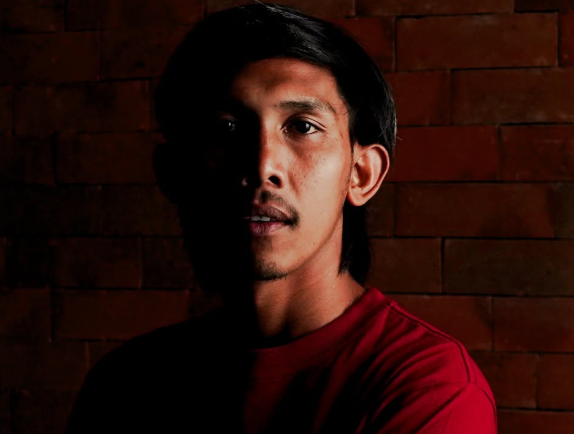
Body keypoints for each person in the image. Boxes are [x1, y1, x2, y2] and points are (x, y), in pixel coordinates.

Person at [64, 3, 497, 433]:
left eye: (303, 126)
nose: (262, 165)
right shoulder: (124, 383)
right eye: (227, 128)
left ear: (362, 174)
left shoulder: (429, 390)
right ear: (176, 174)